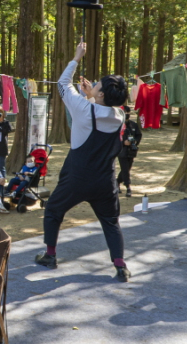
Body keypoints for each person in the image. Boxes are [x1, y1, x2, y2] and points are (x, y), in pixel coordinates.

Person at [36, 42, 131, 282]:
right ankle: (120, 265)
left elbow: (62, 84)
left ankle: (50, 255)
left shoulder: (83, 109)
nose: (95, 84)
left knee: (54, 211)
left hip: (77, 176)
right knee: (110, 221)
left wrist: (77, 57)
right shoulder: (119, 114)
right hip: (104, 180)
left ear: (101, 94)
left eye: (98, 85)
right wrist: (91, 95)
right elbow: (102, 110)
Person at [117, 105, 142, 198]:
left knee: (127, 169)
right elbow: (114, 138)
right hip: (121, 151)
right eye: (125, 113)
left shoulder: (133, 125)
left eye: (128, 113)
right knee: (125, 169)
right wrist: (123, 142)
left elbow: (139, 135)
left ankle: (117, 182)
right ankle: (128, 187)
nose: (127, 115)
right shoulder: (118, 126)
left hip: (131, 151)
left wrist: (134, 141)